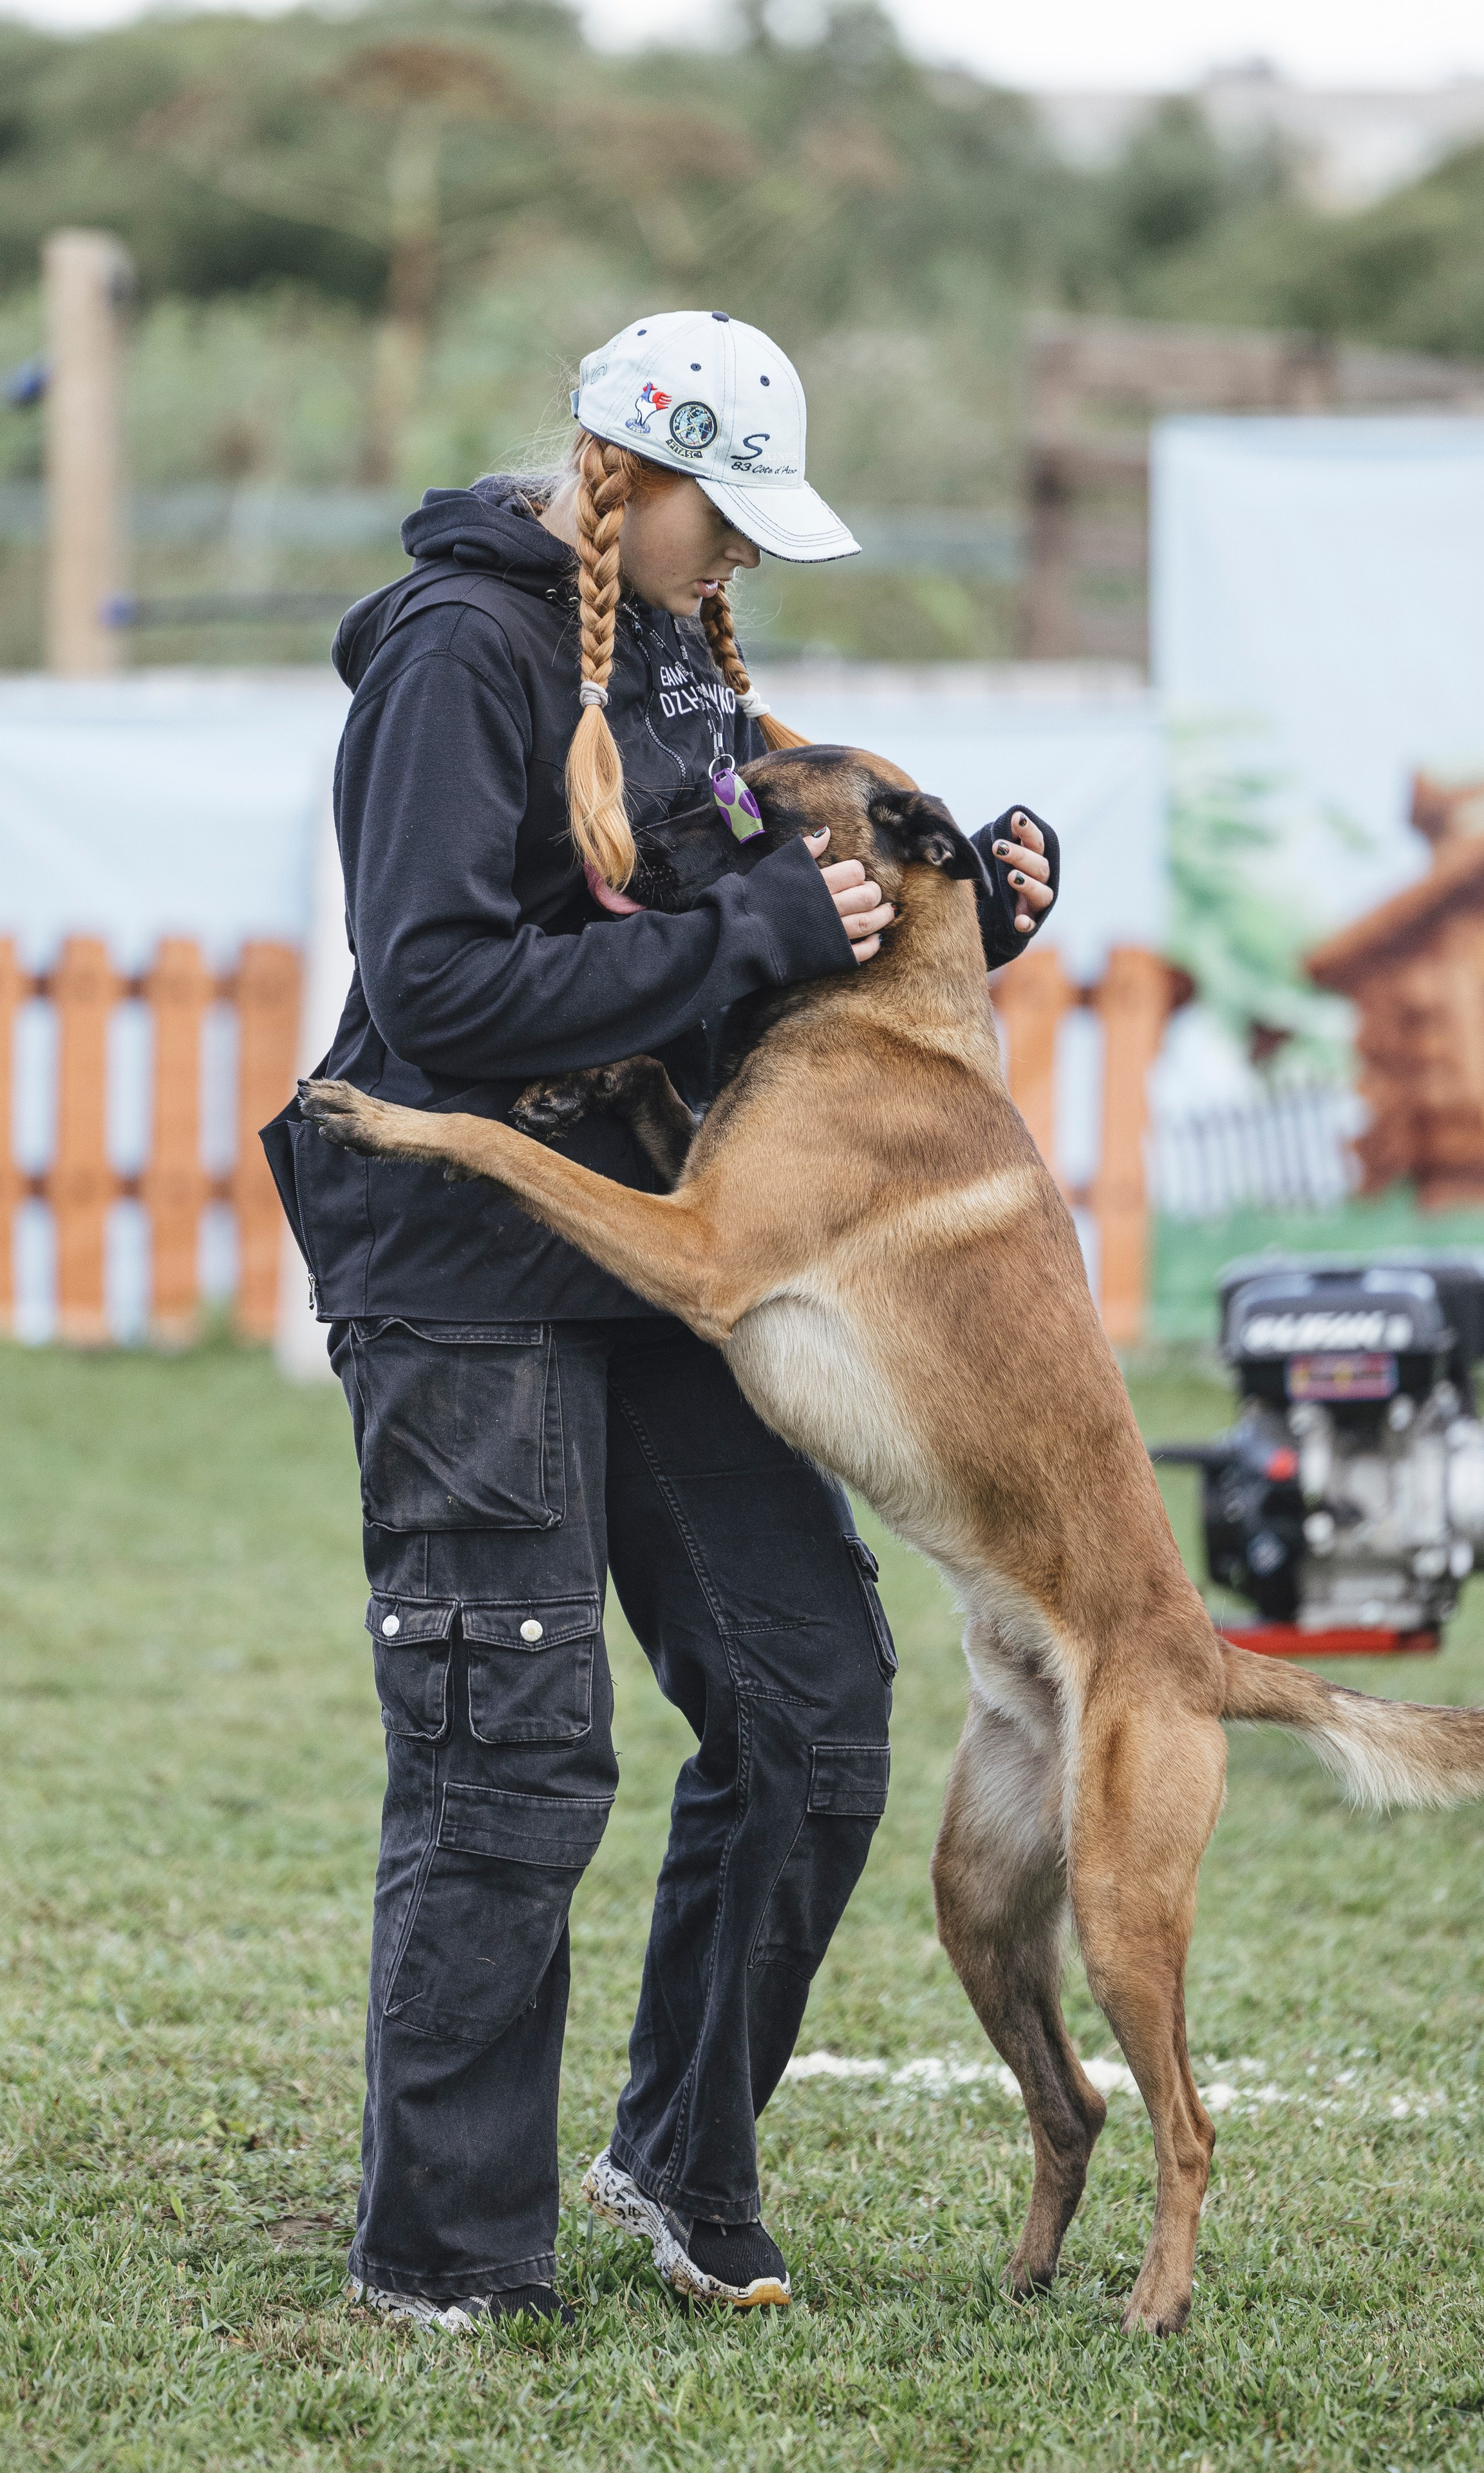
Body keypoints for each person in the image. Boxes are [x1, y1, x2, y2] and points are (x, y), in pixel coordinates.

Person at [263, 311, 1057, 2336]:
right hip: (462, 1261)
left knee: (812, 1720)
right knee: (511, 1757)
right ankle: (444, 2262)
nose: (749, 562)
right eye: (731, 517)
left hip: (661, 1249)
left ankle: (678, 2166)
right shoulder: (465, 654)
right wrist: (766, 927)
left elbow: (714, 945)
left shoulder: (683, 651)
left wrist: (952, 903)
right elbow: (440, 990)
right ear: (627, 472)